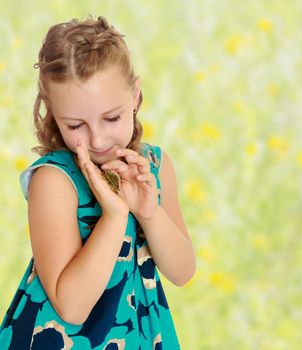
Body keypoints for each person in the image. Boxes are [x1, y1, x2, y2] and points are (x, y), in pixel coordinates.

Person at [0, 15, 195, 349]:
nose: (98, 139)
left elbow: (182, 272)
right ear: (52, 113)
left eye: (112, 117)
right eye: (76, 125)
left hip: (139, 336)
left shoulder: (155, 167)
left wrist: (149, 212)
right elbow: (71, 307)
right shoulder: (54, 181)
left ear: (135, 96)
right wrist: (115, 216)